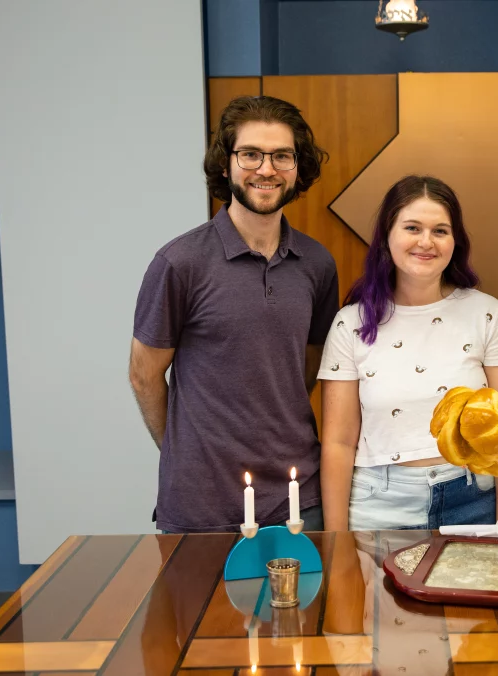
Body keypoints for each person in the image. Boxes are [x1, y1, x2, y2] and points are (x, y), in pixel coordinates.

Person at [129, 96, 339, 533]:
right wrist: (184, 453)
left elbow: (307, 363)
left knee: (303, 605)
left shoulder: (317, 264)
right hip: (202, 503)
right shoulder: (179, 262)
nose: (267, 169)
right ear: (225, 165)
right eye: (251, 154)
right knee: (198, 606)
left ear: (298, 168)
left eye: (282, 155)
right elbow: (144, 375)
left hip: (297, 495)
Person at [318, 175, 498, 530]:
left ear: (455, 242)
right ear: (387, 237)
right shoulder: (350, 323)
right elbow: (338, 442)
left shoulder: (487, 313)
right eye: (412, 227)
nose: (426, 242)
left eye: (440, 230)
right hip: (379, 506)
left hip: (472, 500)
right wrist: (336, 541)